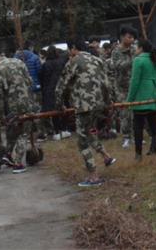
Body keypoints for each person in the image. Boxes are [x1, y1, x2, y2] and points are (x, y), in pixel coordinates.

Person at [55, 39, 116, 187]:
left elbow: (61, 86)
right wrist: (109, 102)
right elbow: (106, 83)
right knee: (89, 132)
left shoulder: (74, 61)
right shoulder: (98, 60)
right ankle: (106, 156)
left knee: (82, 142)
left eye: (70, 50)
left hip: (83, 106)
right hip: (99, 104)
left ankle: (93, 177)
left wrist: (59, 105)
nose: (69, 53)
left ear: (74, 48)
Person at [0, 55, 35, 174]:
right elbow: (30, 81)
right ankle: (18, 163)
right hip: (27, 101)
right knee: (24, 132)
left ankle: (8, 154)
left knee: (13, 130)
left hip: (11, 105)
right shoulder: (19, 62)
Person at [126, 39, 156, 161]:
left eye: (136, 47)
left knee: (138, 126)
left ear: (141, 48)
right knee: (152, 123)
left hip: (140, 98)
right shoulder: (154, 59)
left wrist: (129, 99)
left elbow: (134, 82)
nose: (135, 49)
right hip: (153, 96)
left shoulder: (138, 60)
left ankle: (138, 154)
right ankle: (153, 148)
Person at [109, 25, 138, 148]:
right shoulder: (116, 51)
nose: (131, 40)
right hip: (121, 87)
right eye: (129, 37)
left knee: (137, 111)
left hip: (134, 85)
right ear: (122, 37)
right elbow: (117, 66)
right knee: (125, 113)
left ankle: (137, 136)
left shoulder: (135, 49)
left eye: (133, 38)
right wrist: (132, 60)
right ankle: (126, 137)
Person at [39, 45, 69, 140]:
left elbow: (41, 77)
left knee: (54, 112)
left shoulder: (45, 65)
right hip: (61, 88)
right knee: (63, 110)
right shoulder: (60, 63)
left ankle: (56, 132)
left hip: (49, 90)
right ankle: (64, 129)